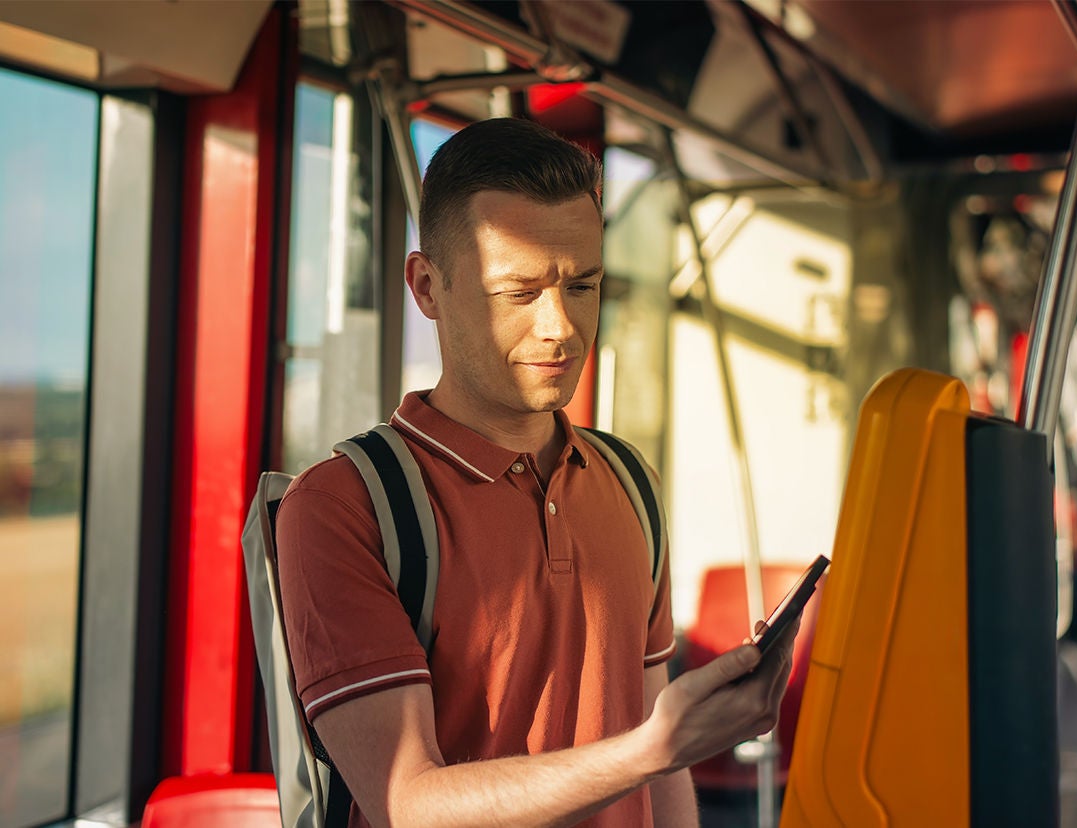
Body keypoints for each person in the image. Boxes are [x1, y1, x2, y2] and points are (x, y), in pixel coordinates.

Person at [275, 117, 796, 828]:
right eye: (519, 294)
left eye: (582, 286)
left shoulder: (629, 483)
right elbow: (409, 804)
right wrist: (650, 749)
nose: (561, 328)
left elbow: (661, 775)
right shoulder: (343, 508)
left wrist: (666, 746)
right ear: (427, 287)